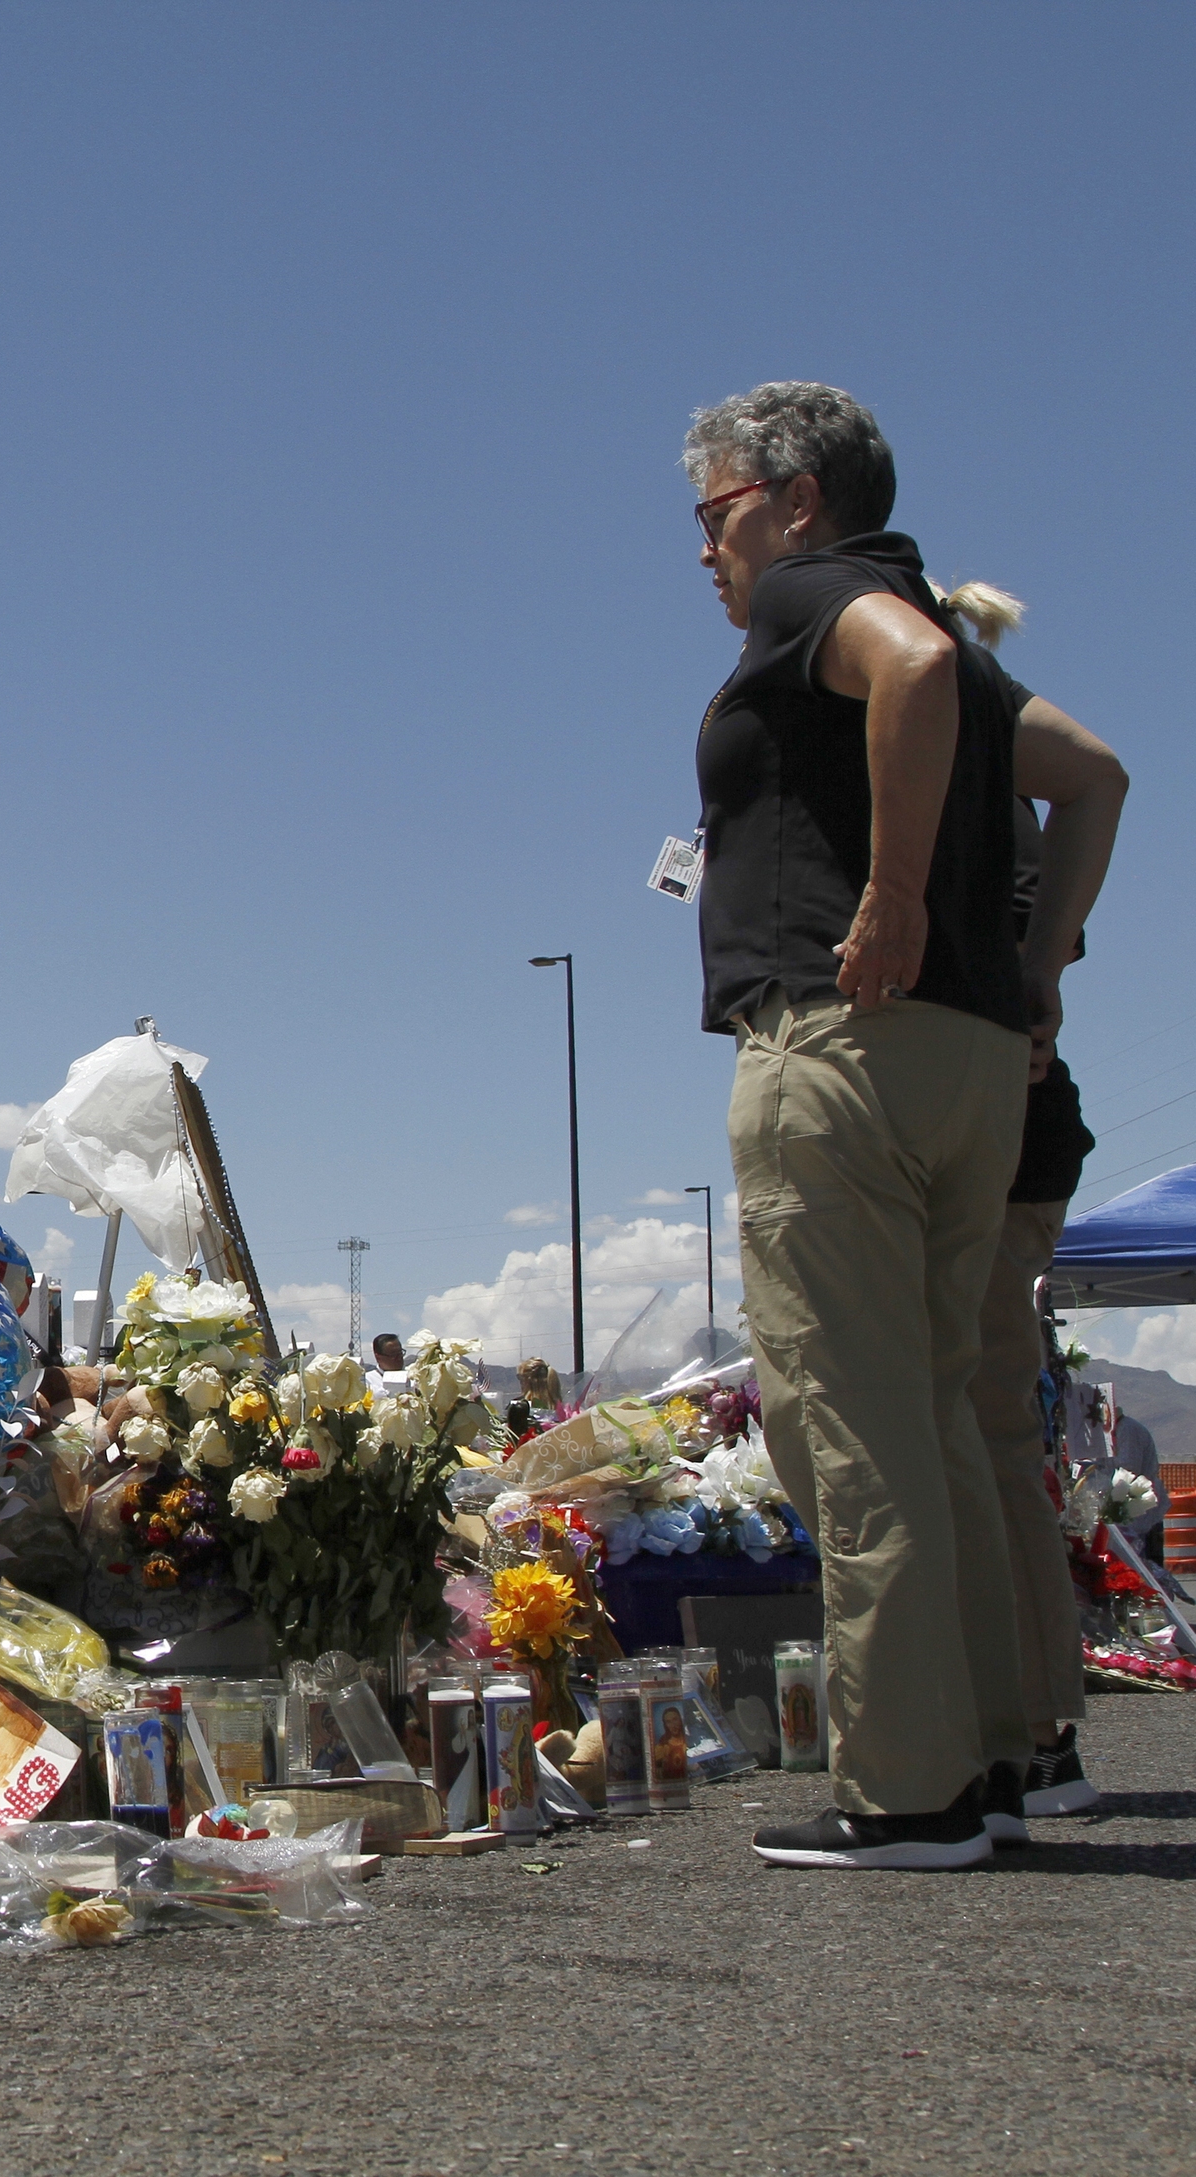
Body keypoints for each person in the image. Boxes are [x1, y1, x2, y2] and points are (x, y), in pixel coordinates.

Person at [682, 382, 1058, 1870]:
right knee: (942, 1421)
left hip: (841, 1047)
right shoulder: (959, 640)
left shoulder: (825, 599)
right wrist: (1031, 971)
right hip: (964, 1059)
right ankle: (992, 1750)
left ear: (790, 500)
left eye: (710, 517)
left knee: (846, 1424)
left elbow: (896, 668)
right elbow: (1089, 778)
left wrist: (889, 894)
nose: (702, 552)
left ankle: (907, 1795)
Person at [956, 597, 1128, 1833]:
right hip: (1020, 1132)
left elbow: (1031, 964)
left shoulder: (983, 796)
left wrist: (1023, 993)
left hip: (989, 1132)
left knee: (975, 1426)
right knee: (983, 1423)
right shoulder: (1004, 805)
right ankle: (1029, 1730)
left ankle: (1024, 1734)